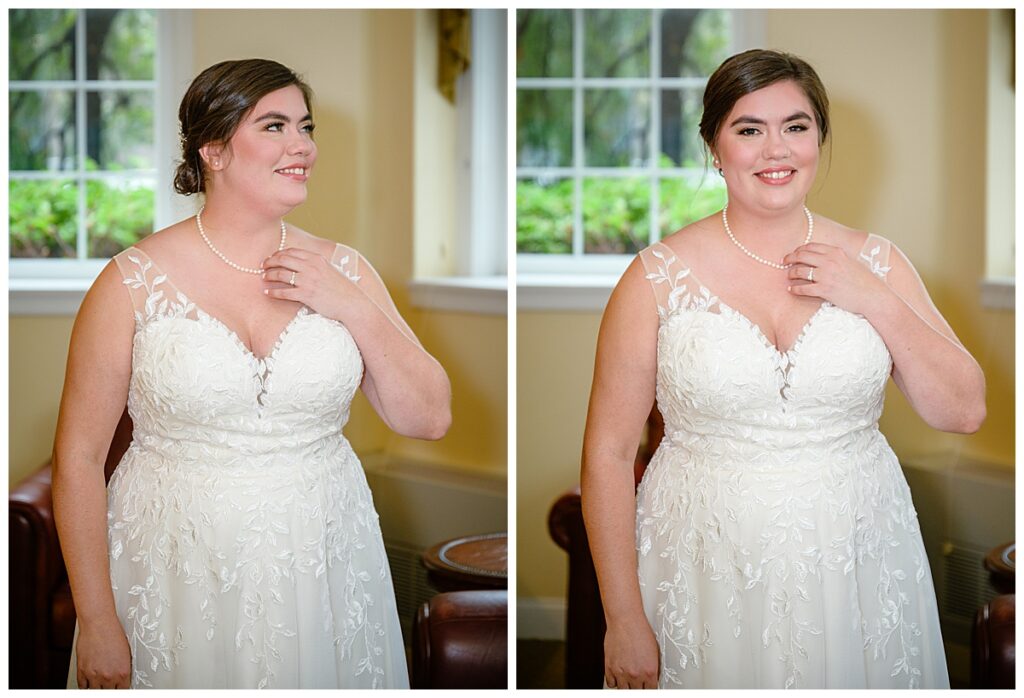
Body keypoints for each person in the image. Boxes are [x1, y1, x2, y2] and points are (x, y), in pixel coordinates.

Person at [581, 48, 984, 689]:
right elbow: (607, 453)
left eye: (796, 126)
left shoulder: (876, 261)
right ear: (715, 146)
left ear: (819, 138)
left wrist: (872, 295)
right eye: (749, 129)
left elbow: (962, 411)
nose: (778, 150)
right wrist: (622, 617)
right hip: (703, 565)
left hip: (857, 557)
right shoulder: (652, 280)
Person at [52, 58, 451, 689]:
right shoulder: (129, 282)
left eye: (306, 126)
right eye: (274, 126)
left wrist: (345, 300)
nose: (302, 146)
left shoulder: (345, 268)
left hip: (322, 558)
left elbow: (427, 418)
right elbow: (77, 459)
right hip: (173, 566)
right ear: (213, 149)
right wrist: (96, 617)